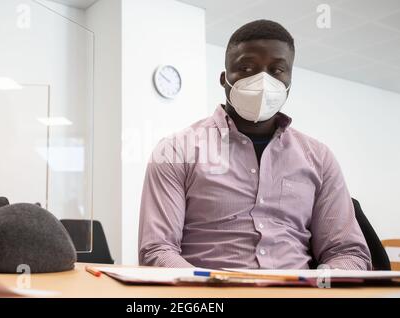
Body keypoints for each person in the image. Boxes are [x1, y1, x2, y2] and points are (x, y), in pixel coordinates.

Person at [138, 19, 371, 270]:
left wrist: (317, 285)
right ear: (224, 78)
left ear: (289, 83)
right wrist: (207, 287)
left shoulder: (319, 158)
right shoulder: (175, 151)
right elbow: (157, 250)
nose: (263, 81)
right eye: (247, 68)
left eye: (277, 70)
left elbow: (350, 253)